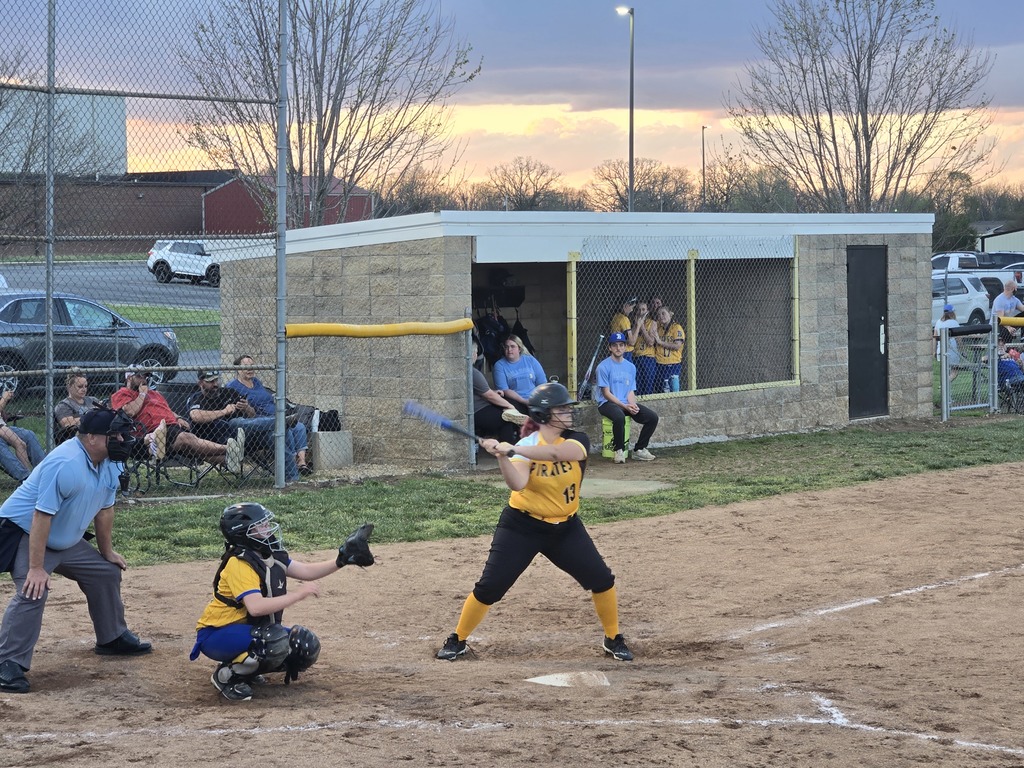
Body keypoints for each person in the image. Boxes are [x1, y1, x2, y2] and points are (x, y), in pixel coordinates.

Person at [436, 382, 635, 663]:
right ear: (543, 415)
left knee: (601, 579)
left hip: (566, 528)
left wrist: (513, 450)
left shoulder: (576, 439)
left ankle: (613, 637)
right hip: (522, 527)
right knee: (491, 586)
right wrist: (503, 456)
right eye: (561, 408)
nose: (568, 412)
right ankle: (458, 638)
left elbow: (558, 454)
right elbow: (517, 483)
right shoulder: (526, 446)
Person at [0, 408, 152, 694]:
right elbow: (40, 517)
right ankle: (7, 663)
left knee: (106, 573)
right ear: (92, 438)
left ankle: (112, 638)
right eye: (114, 435)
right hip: (25, 533)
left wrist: (106, 551)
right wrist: (36, 568)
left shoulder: (109, 460)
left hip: (64, 538)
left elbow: (105, 509)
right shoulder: (65, 462)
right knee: (34, 588)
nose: (122, 440)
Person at [190, 502, 374, 701]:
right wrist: (296, 595)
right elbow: (256, 607)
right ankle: (228, 676)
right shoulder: (239, 564)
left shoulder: (267, 554)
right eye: (260, 526)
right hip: (217, 634)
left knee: (302, 645)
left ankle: (247, 669)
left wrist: (342, 559)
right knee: (272, 641)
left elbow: (305, 571)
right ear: (242, 533)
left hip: (243, 630)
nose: (268, 527)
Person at [110, 365, 243, 473]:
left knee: (191, 448)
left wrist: (178, 417)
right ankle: (230, 448)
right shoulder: (122, 394)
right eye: (139, 376)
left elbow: (167, 409)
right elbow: (130, 411)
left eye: (146, 376)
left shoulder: (155, 394)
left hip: (171, 427)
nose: (144, 379)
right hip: (152, 432)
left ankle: (231, 461)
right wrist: (142, 394)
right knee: (187, 439)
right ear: (129, 378)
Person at [187, 369, 305, 482]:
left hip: (247, 437)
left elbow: (252, 415)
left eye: (216, 380)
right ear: (201, 383)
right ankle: (280, 422)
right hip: (223, 440)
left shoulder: (229, 392)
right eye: (210, 381)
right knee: (235, 422)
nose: (215, 384)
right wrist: (224, 411)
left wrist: (247, 408)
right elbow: (196, 416)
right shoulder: (196, 398)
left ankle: (291, 479)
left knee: (278, 433)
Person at [226, 355, 310, 475]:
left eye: (252, 366)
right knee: (288, 431)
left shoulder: (256, 382)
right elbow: (248, 415)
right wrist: (246, 408)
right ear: (238, 369)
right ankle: (291, 466)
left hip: (275, 414)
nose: (251, 369)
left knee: (300, 427)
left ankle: (301, 463)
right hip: (259, 420)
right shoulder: (232, 387)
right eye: (246, 366)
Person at [595, 332, 660, 463]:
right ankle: (618, 451)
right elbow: (606, 393)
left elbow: (630, 390)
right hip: (607, 403)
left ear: (625, 347)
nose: (618, 348)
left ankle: (639, 450)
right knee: (619, 417)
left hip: (625, 403)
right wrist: (625, 407)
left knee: (652, 418)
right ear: (610, 348)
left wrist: (633, 405)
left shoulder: (630, 367)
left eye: (621, 345)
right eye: (615, 345)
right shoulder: (603, 367)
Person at [471, 341, 521, 444]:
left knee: (513, 404)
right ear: (473, 354)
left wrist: (494, 392)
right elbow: (489, 396)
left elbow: (484, 391)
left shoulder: (469, 370)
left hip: (480, 404)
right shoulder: (473, 372)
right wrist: (509, 406)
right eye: (476, 352)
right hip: (477, 410)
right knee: (506, 419)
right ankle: (507, 452)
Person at [492, 334, 547, 413]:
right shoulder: (499, 365)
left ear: (519, 349)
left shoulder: (530, 360)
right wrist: (524, 401)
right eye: (506, 347)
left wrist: (537, 399)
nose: (509, 349)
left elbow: (542, 383)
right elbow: (504, 390)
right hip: (514, 401)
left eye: (512, 346)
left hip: (535, 399)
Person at [0, 388, 45, 484]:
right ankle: (25, 477)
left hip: (2, 426)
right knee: (3, 445)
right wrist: (4, 399)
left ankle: (45, 471)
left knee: (28, 435)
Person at [54, 371, 103, 444]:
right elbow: (68, 424)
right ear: (69, 387)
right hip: (77, 439)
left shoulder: (93, 400)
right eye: (80, 386)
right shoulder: (63, 405)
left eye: (85, 386)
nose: (84, 389)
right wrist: (92, 415)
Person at [652, 305, 685, 391]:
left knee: (673, 389)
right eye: (659, 315)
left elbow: (677, 346)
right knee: (663, 389)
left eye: (663, 313)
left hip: (673, 362)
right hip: (660, 363)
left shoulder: (676, 327)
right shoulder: (659, 328)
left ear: (670, 314)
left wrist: (660, 342)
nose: (661, 316)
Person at [631, 301, 658, 395]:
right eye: (638, 309)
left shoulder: (652, 323)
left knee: (647, 385)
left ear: (647, 311)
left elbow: (651, 342)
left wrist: (642, 326)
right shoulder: (633, 324)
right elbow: (631, 341)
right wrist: (636, 324)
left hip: (648, 357)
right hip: (636, 357)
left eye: (643, 309)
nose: (640, 312)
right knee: (637, 385)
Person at [933, 303, 961, 382]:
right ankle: (945, 383)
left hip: (941, 350)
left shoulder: (938, 322)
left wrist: (934, 351)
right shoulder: (954, 323)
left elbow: (935, 337)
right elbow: (958, 339)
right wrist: (962, 350)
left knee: (945, 370)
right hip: (952, 351)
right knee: (955, 371)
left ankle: (945, 388)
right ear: (952, 313)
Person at [992, 280, 1024, 344]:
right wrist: (1009, 328)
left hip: (1009, 323)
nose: (1016, 290)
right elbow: (1000, 318)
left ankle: (1023, 338)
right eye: (1016, 288)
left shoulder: (1014, 299)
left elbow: (1022, 309)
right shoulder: (999, 300)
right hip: (998, 326)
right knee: (1003, 325)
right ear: (1013, 289)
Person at [609, 296, 637, 361]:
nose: (632, 310)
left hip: (617, 350)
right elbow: (631, 342)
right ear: (625, 306)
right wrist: (639, 325)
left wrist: (636, 325)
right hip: (626, 352)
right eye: (631, 307)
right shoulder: (624, 319)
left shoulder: (616, 316)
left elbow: (626, 335)